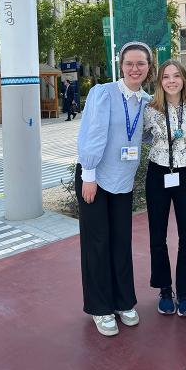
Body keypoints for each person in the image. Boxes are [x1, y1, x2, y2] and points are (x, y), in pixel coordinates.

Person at [75, 42, 154, 337]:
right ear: (120, 66)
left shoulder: (148, 101)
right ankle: (99, 307)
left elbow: (145, 137)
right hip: (95, 178)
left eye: (141, 64)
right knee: (97, 243)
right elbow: (92, 134)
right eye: (129, 63)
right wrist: (89, 174)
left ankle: (123, 302)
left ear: (149, 67)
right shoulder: (103, 93)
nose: (135, 69)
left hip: (123, 179)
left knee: (121, 242)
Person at [143, 60, 186, 317]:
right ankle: (165, 289)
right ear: (160, 82)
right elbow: (138, 136)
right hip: (158, 172)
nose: (172, 81)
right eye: (166, 77)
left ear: (184, 79)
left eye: (177, 76)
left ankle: (185, 292)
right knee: (158, 235)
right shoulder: (149, 108)